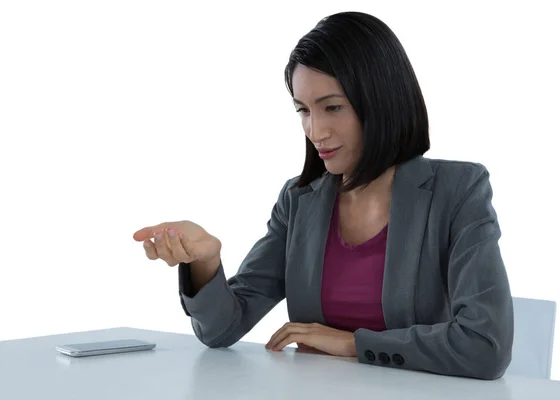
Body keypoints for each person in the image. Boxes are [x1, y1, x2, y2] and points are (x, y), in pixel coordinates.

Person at [133, 11, 513, 380]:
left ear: (381, 101)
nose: (315, 131)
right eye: (303, 110)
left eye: (332, 107)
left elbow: (485, 346)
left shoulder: (457, 190)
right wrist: (206, 262)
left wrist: (353, 344)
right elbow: (220, 330)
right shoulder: (300, 202)